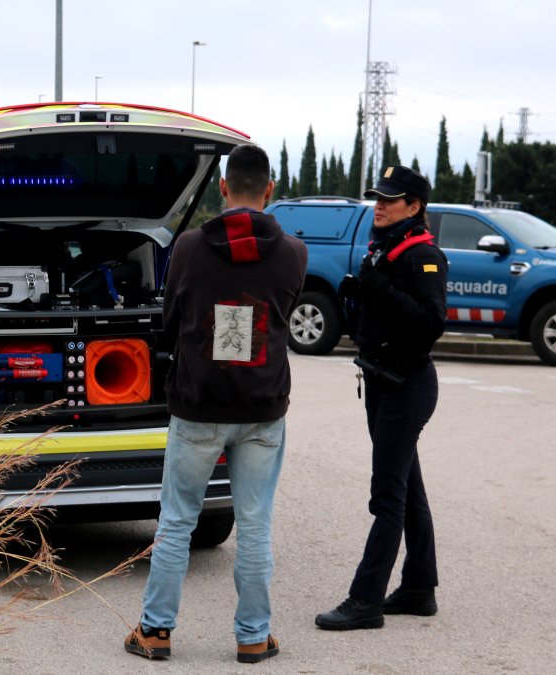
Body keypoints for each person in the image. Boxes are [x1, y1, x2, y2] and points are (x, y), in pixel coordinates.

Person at [123, 144, 307, 664]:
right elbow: (283, 313)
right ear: (269, 190)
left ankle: (155, 632)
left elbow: (170, 318)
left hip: (198, 405)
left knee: (177, 520)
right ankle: (253, 635)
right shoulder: (295, 252)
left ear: (223, 188)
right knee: (254, 524)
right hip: (262, 407)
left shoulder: (186, 248)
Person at [315, 165, 447, 631]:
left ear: (414, 208)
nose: (380, 205)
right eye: (378, 197)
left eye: (391, 200)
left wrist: (382, 290)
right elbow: (388, 311)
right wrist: (361, 296)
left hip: (405, 386)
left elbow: (431, 323)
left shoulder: (423, 255)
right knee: (408, 490)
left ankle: (365, 600)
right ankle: (418, 588)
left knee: (387, 498)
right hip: (381, 379)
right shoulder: (387, 247)